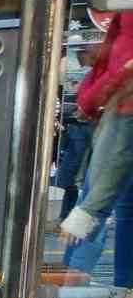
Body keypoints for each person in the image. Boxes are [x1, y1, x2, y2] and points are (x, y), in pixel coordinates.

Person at [60, 16, 133, 298]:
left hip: (122, 107)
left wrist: (100, 92)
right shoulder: (120, 7)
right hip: (117, 104)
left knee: (91, 212)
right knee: (122, 212)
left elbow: (123, 64)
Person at [56, 44, 97, 220]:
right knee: (76, 175)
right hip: (79, 125)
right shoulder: (79, 70)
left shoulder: (85, 72)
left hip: (82, 125)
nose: (80, 55)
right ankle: (68, 215)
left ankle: (69, 215)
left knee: (75, 175)